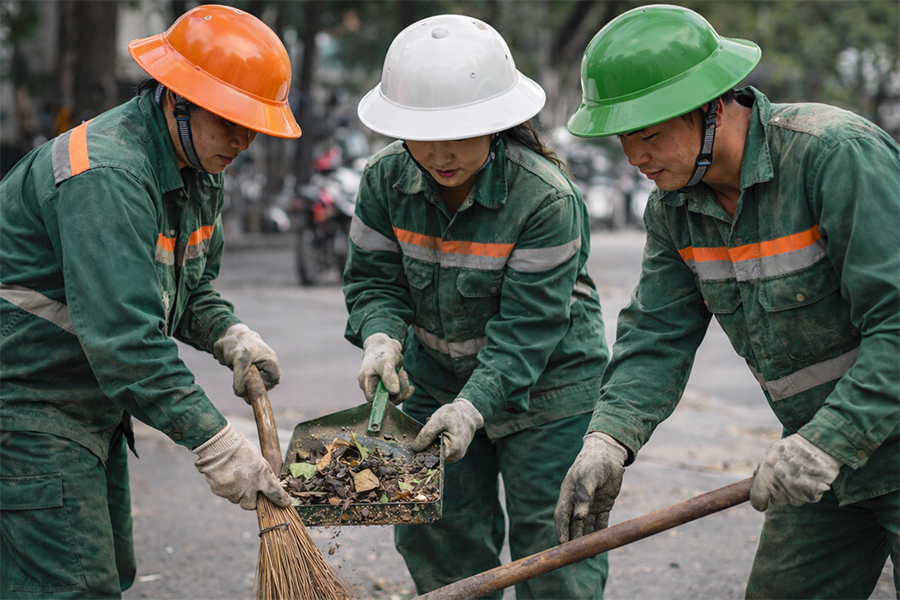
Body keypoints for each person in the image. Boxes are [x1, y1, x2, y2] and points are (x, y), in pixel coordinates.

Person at [553, 4, 900, 598]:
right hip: (820, 463)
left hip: (845, 439)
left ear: (711, 108)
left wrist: (827, 441)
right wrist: (608, 439)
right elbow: (656, 335)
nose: (634, 158)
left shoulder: (833, 155)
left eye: (650, 135)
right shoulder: (674, 210)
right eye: (623, 140)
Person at [0, 6, 301, 599]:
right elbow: (124, 340)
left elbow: (186, 289)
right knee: (76, 588)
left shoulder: (197, 167)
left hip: (84, 406)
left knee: (100, 575)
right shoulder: (107, 174)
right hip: (26, 405)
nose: (243, 140)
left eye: (253, 125)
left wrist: (229, 334)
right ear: (178, 99)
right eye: (231, 121)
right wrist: (215, 442)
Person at [344, 13, 611, 600]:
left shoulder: (546, 197)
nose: (440, 153)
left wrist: (474, 408)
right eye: (422, 134)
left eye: (459, 133)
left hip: (549, 388)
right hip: (433, 377)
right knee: (437, 537)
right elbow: (374, 282)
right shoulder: (384, 180)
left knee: (555, 551)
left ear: (497, 125)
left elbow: (528, 330)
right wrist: (381, 337)